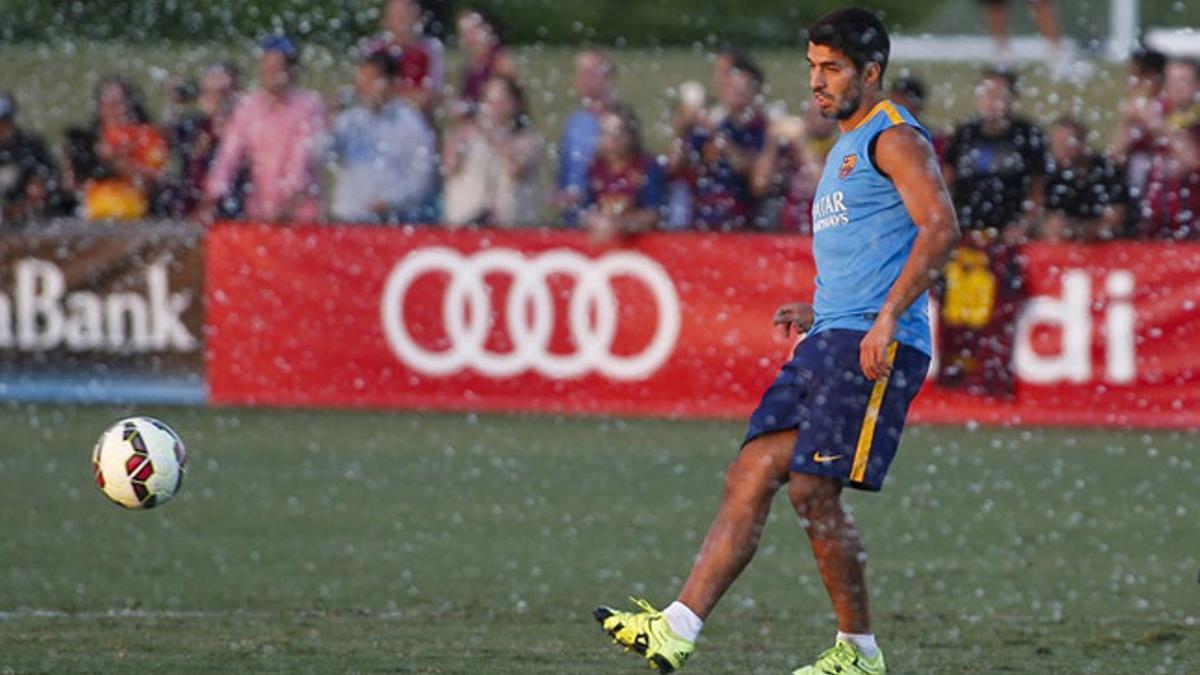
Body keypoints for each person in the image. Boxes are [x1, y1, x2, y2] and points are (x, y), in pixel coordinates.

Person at [594, 8, 960, 675]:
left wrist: (882, 320)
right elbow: (871, 250)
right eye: (813, 67)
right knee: (753, 469)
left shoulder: (893, 135)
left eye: (833, 69)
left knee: (811, 491)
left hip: (875, 344)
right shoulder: (844, 146)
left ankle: (858, 654)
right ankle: (677, 626)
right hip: (832, 335)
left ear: (869, 72)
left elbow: (940, 229)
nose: (817, 82)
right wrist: (820, 310)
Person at [200, 36, 326, 224]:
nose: (269, 73)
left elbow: (302, 159)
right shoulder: (248, 107)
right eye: (266, 66)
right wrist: (212, 196)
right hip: (259, 212)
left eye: (276, 67)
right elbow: (229, 155)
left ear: (290, 71)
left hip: (300, 214)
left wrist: (288, 203)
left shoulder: (308, 106)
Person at [329, 53, 438, 224]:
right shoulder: (350, 120)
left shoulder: (410, 124)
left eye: (372, 80)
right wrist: (330, 120)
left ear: (392, 84)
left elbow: (421, 178)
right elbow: (324, 155)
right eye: (361, 78)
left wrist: (389, 200)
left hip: (392, 223)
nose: (363, 86)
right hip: (348, 219)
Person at [670, 48, 767, 230]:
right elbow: (674, 169)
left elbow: (751, 172)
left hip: (742, 223)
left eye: (739, 90)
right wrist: (681, 130)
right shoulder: (713, 122)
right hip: (700, 220)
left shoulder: (760, 126)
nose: (725, 87)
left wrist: (715, 133)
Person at [442, 75, 542, 227]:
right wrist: (459, 133)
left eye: (501, 101)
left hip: (511, 225)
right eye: (489, 101)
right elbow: (449, 167)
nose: (494, 108)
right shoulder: (467, 134)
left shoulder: (525, 139)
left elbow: (515, 170)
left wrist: (495, 138)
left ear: (515, 104)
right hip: (464, 221)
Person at [64, 78, 168, 220]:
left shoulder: (146, 136)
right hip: (90, 213)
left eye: (118, 102)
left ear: (130, 105)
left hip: (135, 213)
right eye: (106, 102)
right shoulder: (89, 139)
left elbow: (155, 181)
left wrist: (118, 162)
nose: (112, 108)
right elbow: (70, 185)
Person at [159, 62, 243, 218]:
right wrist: (173, 104)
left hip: (228, 206)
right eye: (208, 93)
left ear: (235, 93)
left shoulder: (243, 127)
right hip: (191, 202)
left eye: (222, 93)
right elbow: (162, 142)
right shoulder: (192, 125)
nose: (216, 100)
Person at [1135, 58, 1200, 240]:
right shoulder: (1155, 118)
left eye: (1183, 81)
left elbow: (1193, 161)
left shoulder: (1195, 122)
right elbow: (1117, 157)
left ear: (1196, 85)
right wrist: (1127, 121)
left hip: (1192, 230)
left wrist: (1162, 126)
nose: (1176, 87)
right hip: (1152, 227)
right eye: (1171, 81)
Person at [580, 104, 665, 244]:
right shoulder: (596, 168)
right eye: (604, 133)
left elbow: (653, 215)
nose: (610, 140)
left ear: (630, 135)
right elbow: (585, 211)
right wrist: (594, 221)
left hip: (643, 246)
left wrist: (617, 225)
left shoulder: (647, 167)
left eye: (615, 133)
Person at [556, 49, 618, 226]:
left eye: (589, 73)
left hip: (606, 219)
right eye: (578, 72)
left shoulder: (619, 120)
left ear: (607, 78)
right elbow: (565, 171)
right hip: (573, 219)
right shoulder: (575, 122)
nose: (580, 79)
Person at [1042, 117, 1127, 241]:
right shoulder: (1053, 175)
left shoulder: (1105, 171)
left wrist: (1075, 230)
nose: (1060, 150)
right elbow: (1049, 224)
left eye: (1065, 143)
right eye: (1056, 144)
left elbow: (1113, 221)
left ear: (1082, 144)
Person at [1109, 47, 1167, 217]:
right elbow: (1114, 159)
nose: (1129, 82)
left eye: (1134, 76)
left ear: (1152, 78)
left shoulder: (1167, 109)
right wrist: (1127, 122)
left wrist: (1147, 117)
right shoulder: (1133, 113)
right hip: (1139, 201)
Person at [361, 0, 444, 116]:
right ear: (386, 21)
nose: (402, 23)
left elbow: (430, 98)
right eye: (397, 17)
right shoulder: (375, 49)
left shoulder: (429, 50)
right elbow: (364, 92)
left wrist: (390, 94)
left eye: (405, 16)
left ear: (416, 18)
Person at [0, 92, 71, 225]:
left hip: (32, 222)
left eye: (3, 123)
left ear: (11, 122)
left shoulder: (30, 147)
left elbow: (42, 191)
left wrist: (12, 211)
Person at [454, 6, 516, 116]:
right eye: (463, 33)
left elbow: (512, 102)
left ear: (487, 29)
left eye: (471, 31)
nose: (466, 38)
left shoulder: (499, 61)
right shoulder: (472, 64)